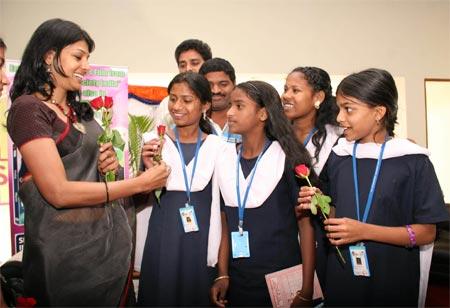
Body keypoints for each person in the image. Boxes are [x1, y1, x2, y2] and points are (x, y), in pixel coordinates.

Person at [6, 18, 170, 306]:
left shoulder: (79, 112)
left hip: (107, 254)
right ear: (49, 56)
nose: (86, 66)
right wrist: (138, 184)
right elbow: (58, 192)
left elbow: (93, 172)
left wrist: (107, 165)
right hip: (66, 262)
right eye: (78, 57)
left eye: (88, 58)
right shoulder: (29, 110)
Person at [298, 68, 449, 306]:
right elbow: (336, 216)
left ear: (379, 112)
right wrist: (319, 202)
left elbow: (426, 232)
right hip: (343, 276)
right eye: (339, 108)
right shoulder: (340, 156)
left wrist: (364, 231)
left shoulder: (413, 161)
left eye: (349, 109)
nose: (339, 118)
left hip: (392, 281)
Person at [212, 81, 316, 306]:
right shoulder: (224, 157)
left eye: (239, 106)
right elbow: (224, 222)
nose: (229, 112)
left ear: (262, 114)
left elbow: (306, 227)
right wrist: (222, 273)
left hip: (282, 280)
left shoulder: (288, 159)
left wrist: (307, 288)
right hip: (238, 280)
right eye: (230, 105)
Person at [137, 72, 224, 306]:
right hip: (163, 236)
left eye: (186, 100)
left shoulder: (218, 147)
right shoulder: (153, 143)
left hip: (202, 238)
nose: (177, 106)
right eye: (173, 98)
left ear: (205, 105)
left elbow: (224, 206)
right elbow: (138, 199)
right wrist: (146, 171)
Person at [281, 66, 341, 291]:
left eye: (295, 90)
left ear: (318, 97)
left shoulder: (338, 140)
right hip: (283, 233)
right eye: (285, 88)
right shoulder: (276, 136)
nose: (286, 95)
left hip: (323, 234)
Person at [154, 39, 212, 126]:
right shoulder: (167, 104)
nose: (188, 69)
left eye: (194, 63)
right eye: (182, 65)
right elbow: (158, 135)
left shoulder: (219, 97)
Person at [199, 57, 241, 143]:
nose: (216, 90)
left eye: (223, 84)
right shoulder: (192, 119)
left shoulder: (246, 118)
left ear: (234, 84)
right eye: (209, 85)